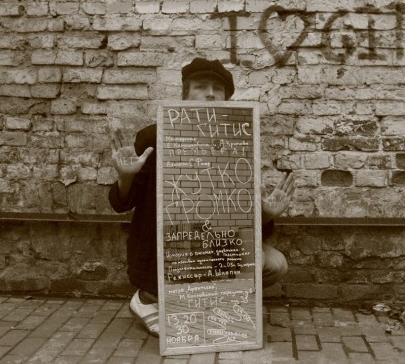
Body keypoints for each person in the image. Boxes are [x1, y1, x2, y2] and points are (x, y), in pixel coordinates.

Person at [108, 57, 295, 337]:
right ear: (185, 94)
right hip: (165, 245)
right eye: (201, 87)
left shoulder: (237, 143)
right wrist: (126, 177)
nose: (210, 94)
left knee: (274, 264)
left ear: (226, 99)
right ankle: (147, 299)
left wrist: (266, 214)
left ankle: (201, 298)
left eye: (218, 89)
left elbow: (245, 220)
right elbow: (121, 203)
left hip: (215, 243)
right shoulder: (154, 137)